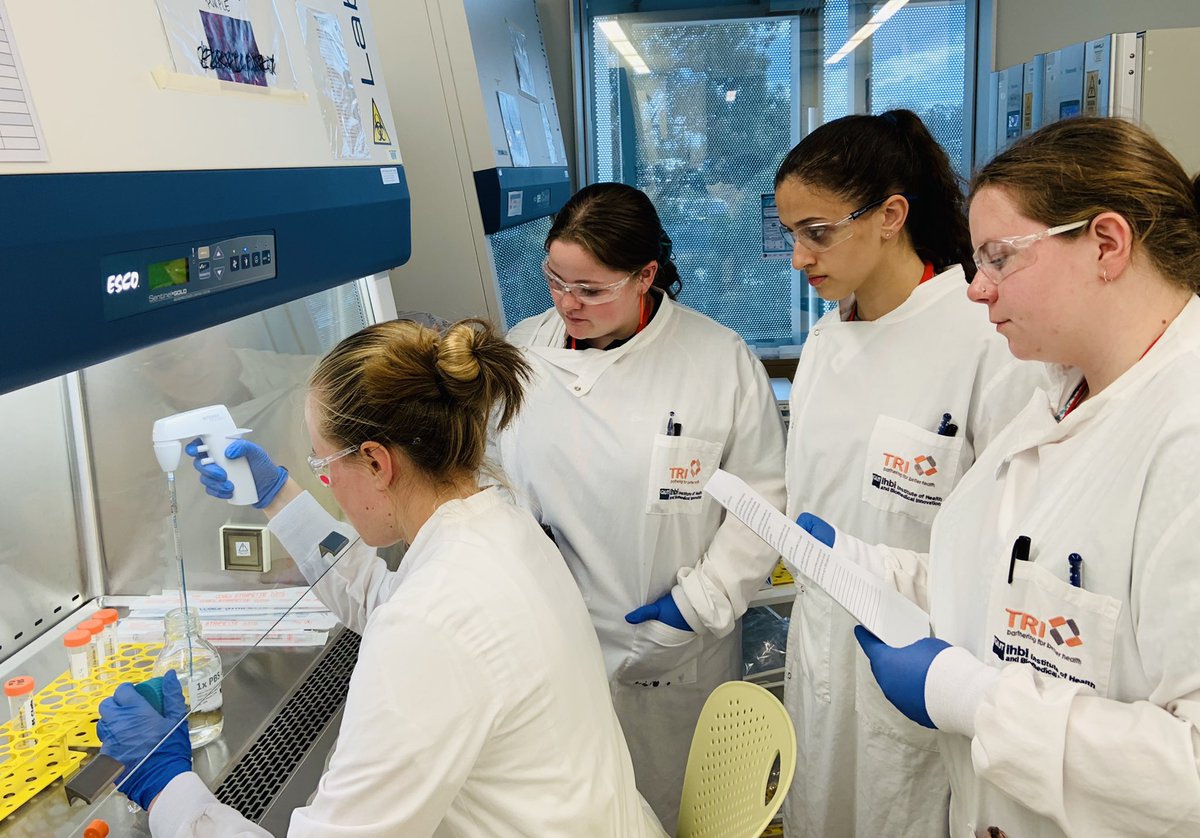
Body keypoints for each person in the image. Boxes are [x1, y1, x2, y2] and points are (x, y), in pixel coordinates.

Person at [97, 318, 668, 837]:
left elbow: (419, 622)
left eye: (322, 465)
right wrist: (277, 496)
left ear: (376, 462)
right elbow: (382, 595)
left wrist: (170, 789)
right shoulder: (499, 522)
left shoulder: (433, 621)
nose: (324, 482)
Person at [803, 116, 1200, 836]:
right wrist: (859, 563)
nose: (977, 289)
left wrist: (969, 698)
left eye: (1000, 258)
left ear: (1106, 244)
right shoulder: (1058, 394)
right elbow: (1007, 584)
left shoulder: (1186, 435)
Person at [774, 109, 1048, 837]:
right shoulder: (828, 339)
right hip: (823, 654)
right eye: (791, 233)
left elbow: (1017, 536)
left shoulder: (984, 338)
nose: (799, 257)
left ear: (891, 214)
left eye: (817, 231)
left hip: (924, 662)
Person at [489, 182, 787, 829]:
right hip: (550, 646)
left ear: (646, 276)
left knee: (670, 810)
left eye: (591, 290)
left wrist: (695, 606)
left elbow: (762, 503)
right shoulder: (522, 354)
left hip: (672, 649)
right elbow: (488, 481)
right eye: (554, 281)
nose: (568, 303)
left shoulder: (717, 362)